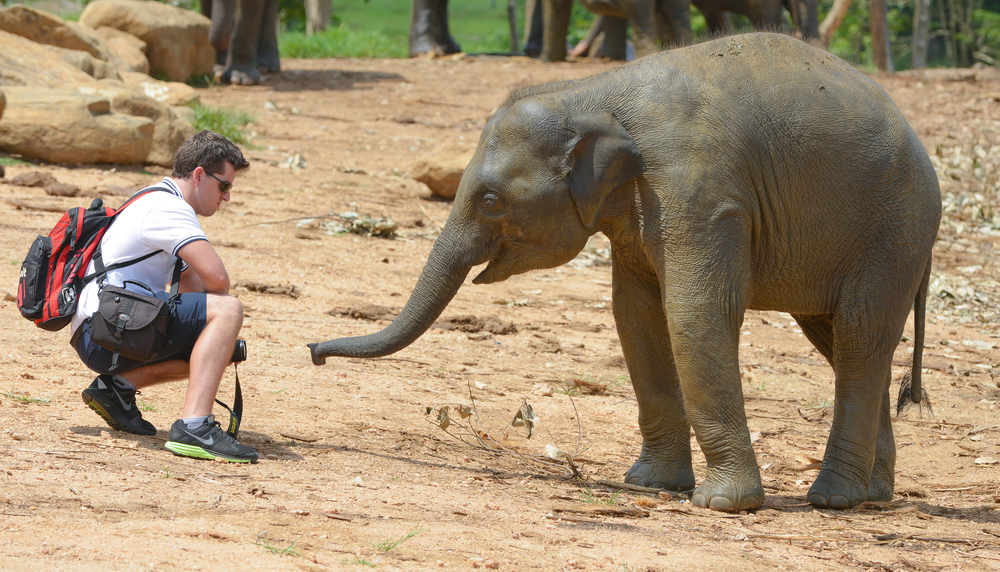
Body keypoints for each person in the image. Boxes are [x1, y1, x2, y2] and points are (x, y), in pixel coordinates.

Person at [70, 130, 257, 463]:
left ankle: (117, 389)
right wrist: (219, 324)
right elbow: (218, 279)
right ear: (199, 175)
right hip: (105, 327)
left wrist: (214, 341)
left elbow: (192, 285)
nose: (226, 197)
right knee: (228, 310)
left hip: (103, 327)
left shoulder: (156, 198)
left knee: (215, 340)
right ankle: (195, 427)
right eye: (224, 186)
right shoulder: (169, 208)